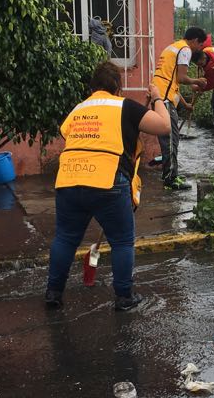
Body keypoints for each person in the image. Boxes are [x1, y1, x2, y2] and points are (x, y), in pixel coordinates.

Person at [45, 62, 171, 311]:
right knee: (122, 241)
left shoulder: (79, 109)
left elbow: (71, 134)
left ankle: (53, 293)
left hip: (69, 179)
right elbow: (163, 126)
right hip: (108, 181)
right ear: (118, 87)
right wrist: (157, 98)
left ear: (92, 87)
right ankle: (124, 297)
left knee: (65, 238)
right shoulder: (124, 106)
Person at [150, 26, 208, 191]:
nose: (200, 49)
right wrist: (197, 81)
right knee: (171, 140)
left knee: (170, 139)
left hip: (160, 96)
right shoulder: (185, 50)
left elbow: (173, 84)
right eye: (200, 44)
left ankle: (170, 174)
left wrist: (185, 105)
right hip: (164, 99)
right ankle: (170, 179)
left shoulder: (172, 47)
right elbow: (181, 78)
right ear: (195, 40)